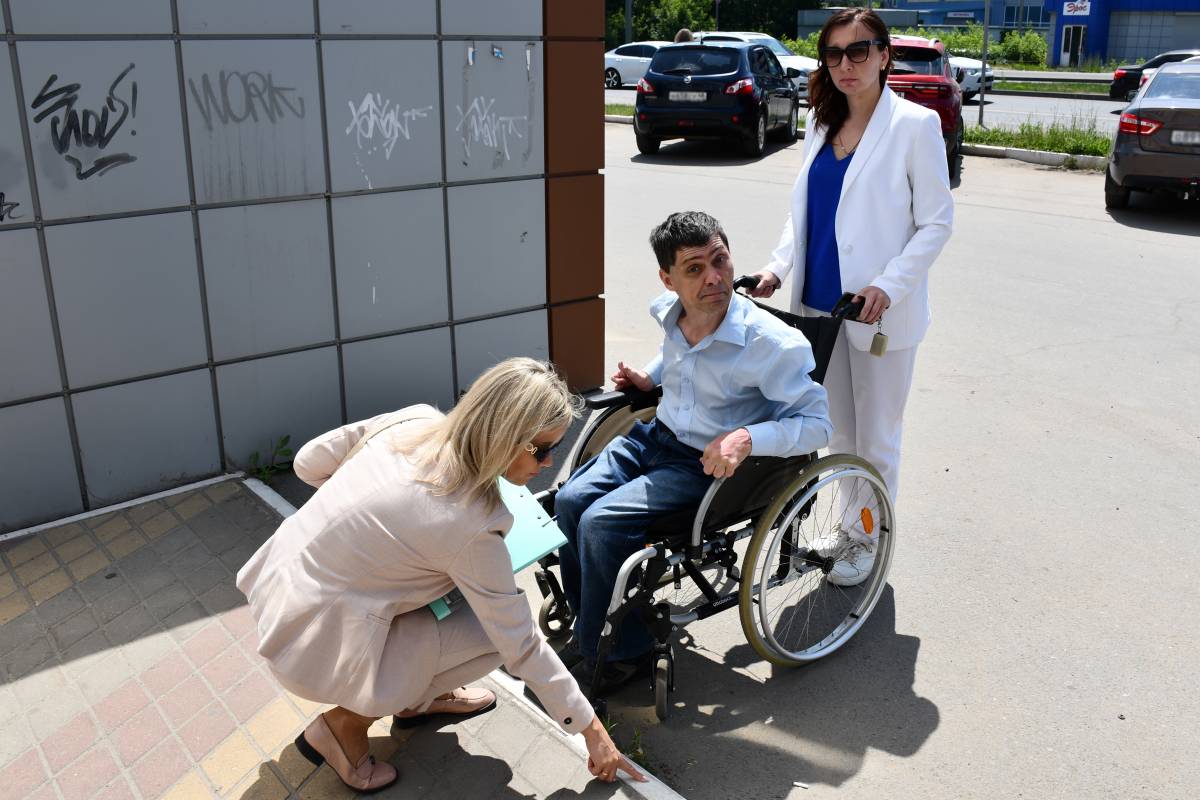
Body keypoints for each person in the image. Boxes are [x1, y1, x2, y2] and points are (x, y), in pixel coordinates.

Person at [235, 358, 644, 792]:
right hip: (313, 646)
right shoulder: (471, 520)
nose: (548, 463)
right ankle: (345, 726)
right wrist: (592, 732)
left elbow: (307, 462)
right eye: (542, 449)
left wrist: (368, 522)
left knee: (465, 597)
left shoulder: (415, 420)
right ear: (505, 436)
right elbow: (521, 643)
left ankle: (417, 700)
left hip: (279, 591)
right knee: (494, 636)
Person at [554, 211, 832, 693]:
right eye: (695, 269)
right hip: (653, 438)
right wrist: (649, 378)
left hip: (703, 467)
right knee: (568, 500)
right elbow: (679, 353)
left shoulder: (771, 345)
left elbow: (818, 424)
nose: (713, 278)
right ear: (669, 280)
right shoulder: (673, 312)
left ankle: (625, 652)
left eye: (719, 261)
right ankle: (591, 626)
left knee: (600, 522)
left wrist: (747, 438)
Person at [750, 7, 954, 587]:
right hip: (819, 308)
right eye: (834, 53)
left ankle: (868, 539)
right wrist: (777, 267)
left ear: (884, 56)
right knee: (838, 433)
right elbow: (803, 215)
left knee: (877, 440)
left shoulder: (914, 126)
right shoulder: (821, 123)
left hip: (878, 314)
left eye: (858, 50)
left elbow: (936, 223)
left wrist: (888, 285)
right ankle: (851, 526)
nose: (846, 64)